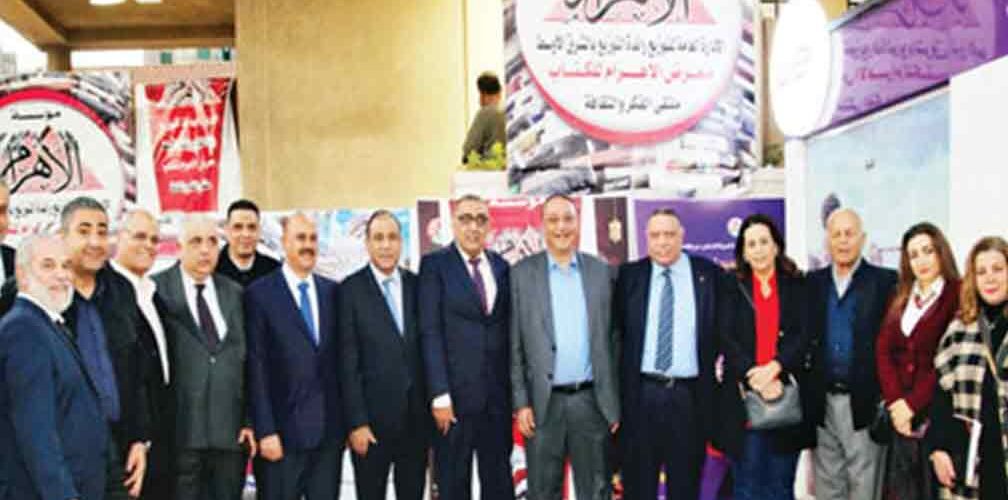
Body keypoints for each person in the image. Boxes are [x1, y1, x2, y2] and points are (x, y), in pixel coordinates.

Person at [510, 195, 619, 500]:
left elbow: (614, 340)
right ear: (542, 225)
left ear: (578, 223)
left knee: (596, 490)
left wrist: (613, 402)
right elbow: (515, 345)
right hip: (542, 406)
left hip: (591, 402)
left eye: (568, 219)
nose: (561, 227)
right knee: (543, 491)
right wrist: (521, 402)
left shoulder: (602, 272)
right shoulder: (521, 275)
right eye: (553, 219)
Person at [613, 208, 722, 500]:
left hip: (689, 399)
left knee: (685, 487)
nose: (663, 242)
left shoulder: (708, 274)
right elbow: (616, 337)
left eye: (669, 234)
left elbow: (724, 333)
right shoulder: (629, 276)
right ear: (646, 238)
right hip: (641, 397)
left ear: (682, 236)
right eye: (656, 235)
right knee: (638, 487)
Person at [153, 215, 255, 500]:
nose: (205, 250)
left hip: (229, 437)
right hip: (180, 435)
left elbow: (249, 362)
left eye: (212, 241)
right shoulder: (157, 290)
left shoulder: (234, 293)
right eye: (196, 241)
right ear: (179, 247)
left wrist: (249, 420)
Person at [420, 194, 514, 500]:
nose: (473, 227)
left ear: (489, 225)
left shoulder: (501, 267)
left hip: (496, 400)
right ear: (453, 223)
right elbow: (430, 332)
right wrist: (439, 394)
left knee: (498, 484)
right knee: (452, 485)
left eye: (481, 219)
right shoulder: (435, 266)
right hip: (454, 403)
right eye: (466, 219)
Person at [0, 235, 107, 500]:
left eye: (66, 265)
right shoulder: (23, 330)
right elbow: (36, 433)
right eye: (48, 265)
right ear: (22, 275)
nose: (61, 275)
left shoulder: (49, 325)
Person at [245, 213, 344, 500]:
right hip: (282, 437)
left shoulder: (332, 292)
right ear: (284, 243)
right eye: (300, 238)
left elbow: (340, 363)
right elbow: (256, 367)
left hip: (328, 438)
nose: (307, 245)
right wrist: (265, 430)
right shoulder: (259, 294)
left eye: (312, 238)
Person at [60, 196, 150, 500]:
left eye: (102, 231)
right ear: (62, 237)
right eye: (84, 231)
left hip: (119, 449)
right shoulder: (38, 291)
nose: (95, 242)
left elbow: (137, 370)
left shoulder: (121, 291)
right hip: (62, 451)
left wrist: (139, 439)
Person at [806, 208, 897, 499]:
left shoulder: (885, 282)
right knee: (827, 487)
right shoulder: (812, 283)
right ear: (827, 241)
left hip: (863, 404)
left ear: (862, 239)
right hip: (822, 404)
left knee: (864, 487)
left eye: (849, 233)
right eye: (836, 234)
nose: (843, 240)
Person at [340, 210, 431, 500]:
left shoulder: (418, 286)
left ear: (401, 242)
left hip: (415, 424)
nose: (385, 245)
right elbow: (347, 363)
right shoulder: (349, 291)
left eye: (392, 237)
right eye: (378, 238)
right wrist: (356, 423)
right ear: (367, 243)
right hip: (371, 427)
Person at [717, 214, 810, 499]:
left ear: (776, 246)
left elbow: (804, 335)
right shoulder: (731, 286)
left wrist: (775, 368)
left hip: (785, 397)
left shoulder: (797, 285)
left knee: (780, 488)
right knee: (747, 489)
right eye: (751, 244)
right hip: (743, 400)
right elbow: (725, 336)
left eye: (764, 242)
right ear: (743, 252)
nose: (758, 250)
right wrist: (755, 376)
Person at [875, 223, 960, 500]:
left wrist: (912, 404)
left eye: (928, 251)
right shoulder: (901, 296)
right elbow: (883, 350)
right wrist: (896, 403)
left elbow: (949, 359)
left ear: (941, 253)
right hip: (901, 419)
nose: (921, 261)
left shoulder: (957, 295)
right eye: (913, 255)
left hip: (938, 415)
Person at [927, 236, 1008, 500]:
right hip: (975, 464)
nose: (990, 278)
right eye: (981, 272)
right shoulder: (960, 329)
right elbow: (941, 396)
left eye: (998, 269)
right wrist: (938, 448)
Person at [110, 210, 177, 500]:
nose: (148, 245)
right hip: (126, 444)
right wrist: (136, 435)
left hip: (161, 440)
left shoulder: (154, 294)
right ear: (118, 238)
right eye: (139, 236)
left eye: (154, 239)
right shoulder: (105, 292)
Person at [215, 199, 280, 288]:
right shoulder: (212, 269)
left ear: (259, 231)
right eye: (238, 227)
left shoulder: (274, 271)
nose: (246, 234)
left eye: (251, 227)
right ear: (227, 231)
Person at [461, 72, 507, 164]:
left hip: (490, 168)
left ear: (482, 95)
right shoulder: (507, 111)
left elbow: (469, 148)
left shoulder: (485, 113)